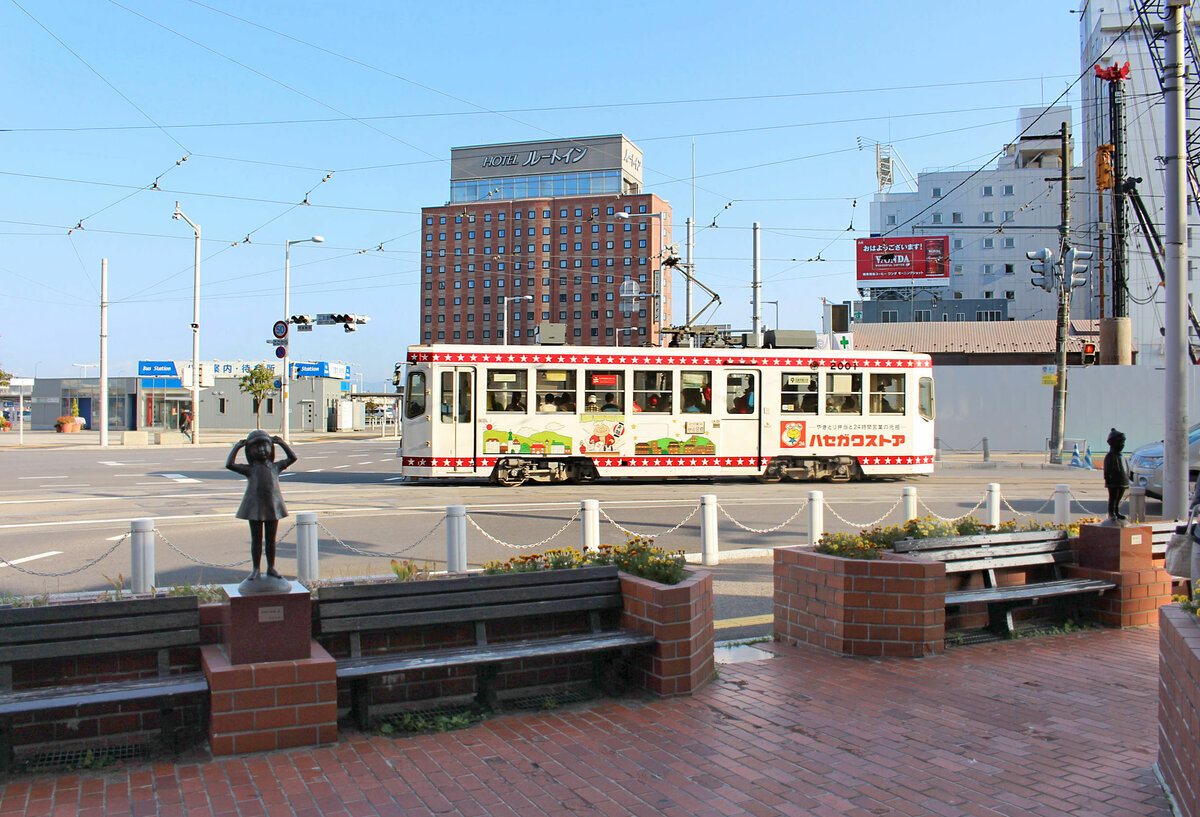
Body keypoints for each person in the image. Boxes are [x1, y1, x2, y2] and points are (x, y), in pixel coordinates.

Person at [226, 430, 298, 585]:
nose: (262, 451)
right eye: (257, 448)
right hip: (255, 507)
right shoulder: (250, 469)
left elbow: (293, 458)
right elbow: (230, 464)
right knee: (256, 539)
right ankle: (256, 568)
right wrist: (237, 447)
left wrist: (281, 443)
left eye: (265, 446)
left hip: (273, 505)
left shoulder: (275, 467)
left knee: (271, 539)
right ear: (250, 452)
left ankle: (271, 567)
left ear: (271, 449)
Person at [1104, 428, 1129, 520]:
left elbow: (1126, 467)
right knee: (1113, 498)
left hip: (1122, 481)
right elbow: (1107, 470)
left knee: (1119, 498)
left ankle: (1117, 511)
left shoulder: (1122, 456)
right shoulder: (1109, 456)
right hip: (1113, 482)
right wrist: (1108, 478)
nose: (1122, 445)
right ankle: (1111, 512)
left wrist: (1127, 477)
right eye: (1120, 442)